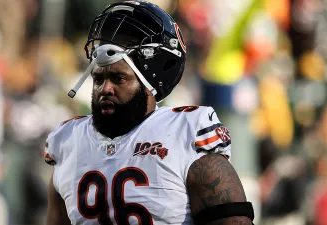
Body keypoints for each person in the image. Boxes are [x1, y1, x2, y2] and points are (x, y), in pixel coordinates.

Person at [45, 1, 254, 224]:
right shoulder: (68, 142)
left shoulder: (185, 135)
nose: (105, 89)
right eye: (98, 79)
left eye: (118, 78)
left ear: (150, 84)